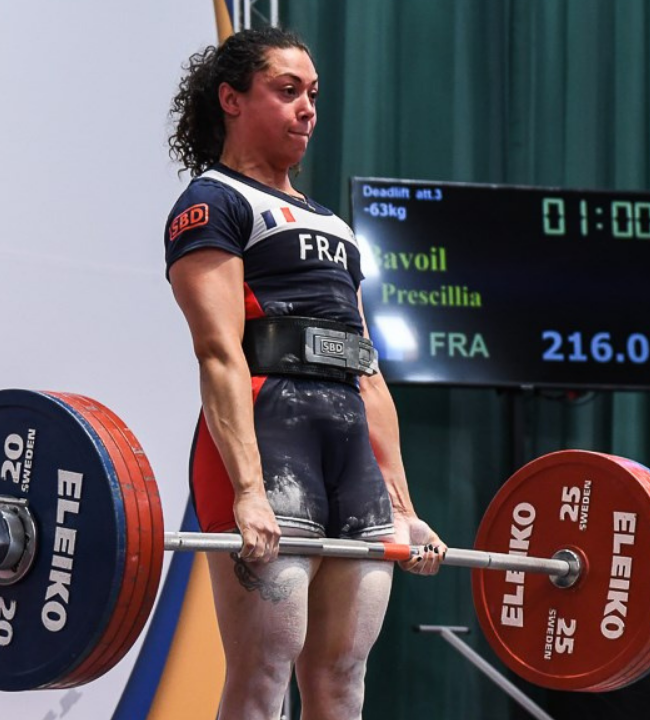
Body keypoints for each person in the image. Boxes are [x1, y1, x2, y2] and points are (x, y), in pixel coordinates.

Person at [162, 27, 446, 720]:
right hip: (269, 443)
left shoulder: (337, 228)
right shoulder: (214, 201)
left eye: (312, 94)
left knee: (343, 676)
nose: (307, 109)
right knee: (263, 673)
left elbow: (367, 373)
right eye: (287, 91)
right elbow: (220, 353)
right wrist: (250, 492)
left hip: (349, 456)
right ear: (232, 99)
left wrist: (405, 509)